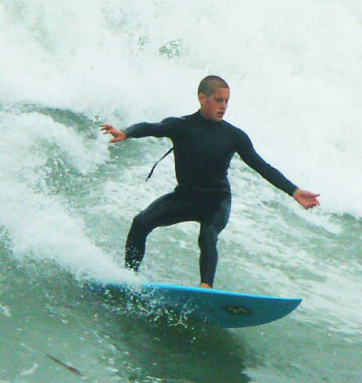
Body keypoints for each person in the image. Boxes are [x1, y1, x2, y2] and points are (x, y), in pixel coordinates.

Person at [100, 75, 319, 289]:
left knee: (208, 234)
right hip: (184, 196)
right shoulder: (181, 126)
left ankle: (206, 288)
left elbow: (263, 167)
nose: (224, 106)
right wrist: (127, 133)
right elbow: (151, 127)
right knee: (141, 222)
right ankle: (129, 278)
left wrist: (294, 191)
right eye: (218, 100)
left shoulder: (234, 136)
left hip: (216, 201)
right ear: (202, 98)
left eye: (227, 101)